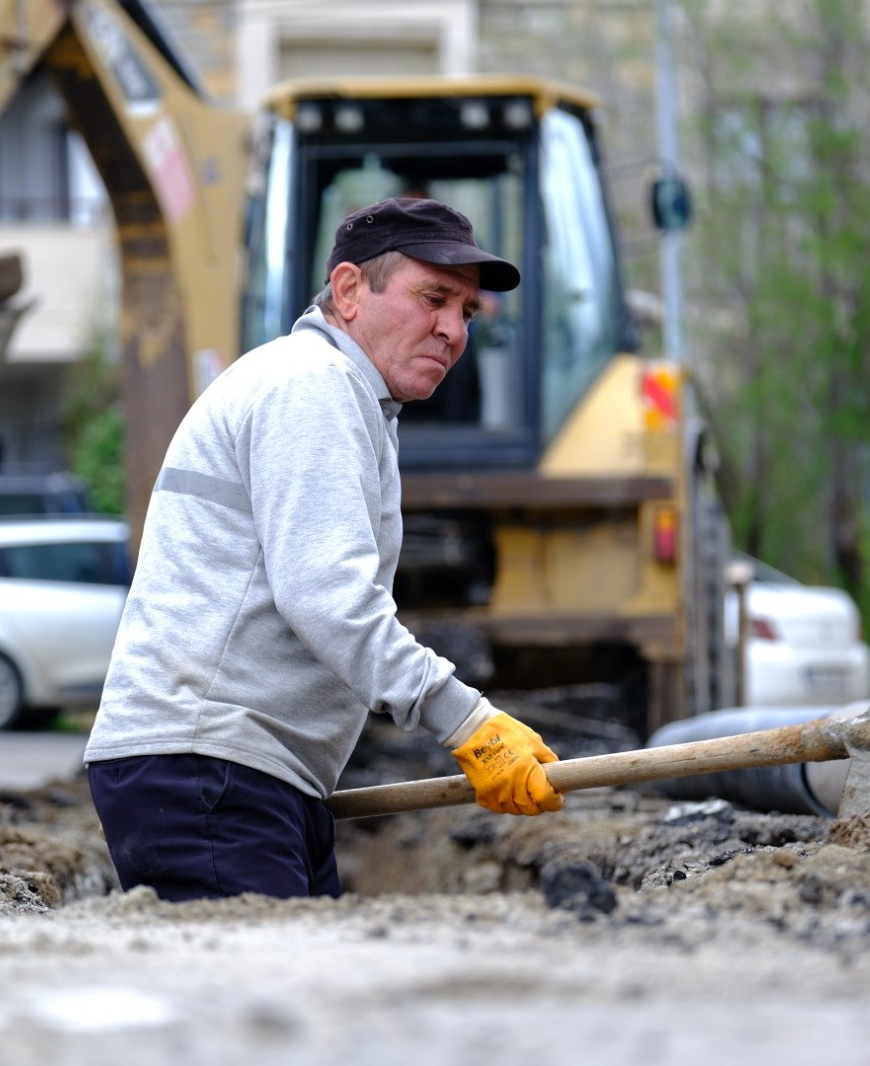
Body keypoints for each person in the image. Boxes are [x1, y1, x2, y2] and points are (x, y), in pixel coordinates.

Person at [84, 196, 563, 902]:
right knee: (265, 972)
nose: (454, 330)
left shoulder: (348, 397)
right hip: (208, 765)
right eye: (434, 298)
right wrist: (467, 722)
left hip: (245, 771)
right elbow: (327, 597)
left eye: (467, 311)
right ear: (348, 290)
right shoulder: (313, 385)